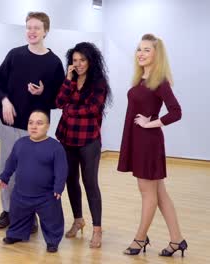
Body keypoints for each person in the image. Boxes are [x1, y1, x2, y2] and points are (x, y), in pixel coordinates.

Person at [0, 11, 65, 231]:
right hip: (9, 124)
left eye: (36, 28)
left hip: (35, 129)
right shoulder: (14, 55)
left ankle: (28, 215)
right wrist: (4, 101)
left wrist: (44, 92)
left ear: (45, 32)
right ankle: (7, 211)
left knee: (30, 173)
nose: (31, 32)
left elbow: (59, 99)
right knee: (7, 167)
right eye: (28, 27)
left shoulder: (54, 63)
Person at [118, 34, 187, 257]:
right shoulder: (141, 80)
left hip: (148, 143)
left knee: (148, 194)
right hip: (138, 140)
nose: (141, 53)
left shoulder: (160, 82)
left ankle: (140, 239)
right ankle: (177, 239)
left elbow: (176, 112)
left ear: (157, 55)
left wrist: (151, 123)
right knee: (160, 194)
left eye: (147, 50)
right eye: (139, 49)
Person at [55, 42, 112, 248]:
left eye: (82, 60)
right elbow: (60, 102)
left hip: (88, 140)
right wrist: (69, 79)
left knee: (90, 183)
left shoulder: (99, 83)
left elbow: (92, 109)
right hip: (67, 138)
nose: (78, 64)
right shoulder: (70, 80)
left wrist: (70, 110)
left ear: (90, 61)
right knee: (71, 180)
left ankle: (97, 229)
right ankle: (78, 220)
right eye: (75, 61)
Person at [0, 110, 67, 253]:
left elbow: (61, 170)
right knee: (17, 215)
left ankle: (52, 241)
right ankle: (16, 234)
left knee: (52, 219)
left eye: (39, 123)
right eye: (31, 123)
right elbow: (11, 162)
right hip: (21, 194)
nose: (34, 126)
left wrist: (58, 188)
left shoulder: (55, 147)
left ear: (48, 126)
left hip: (47, 196)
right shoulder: (20, 144)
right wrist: (4, 176)